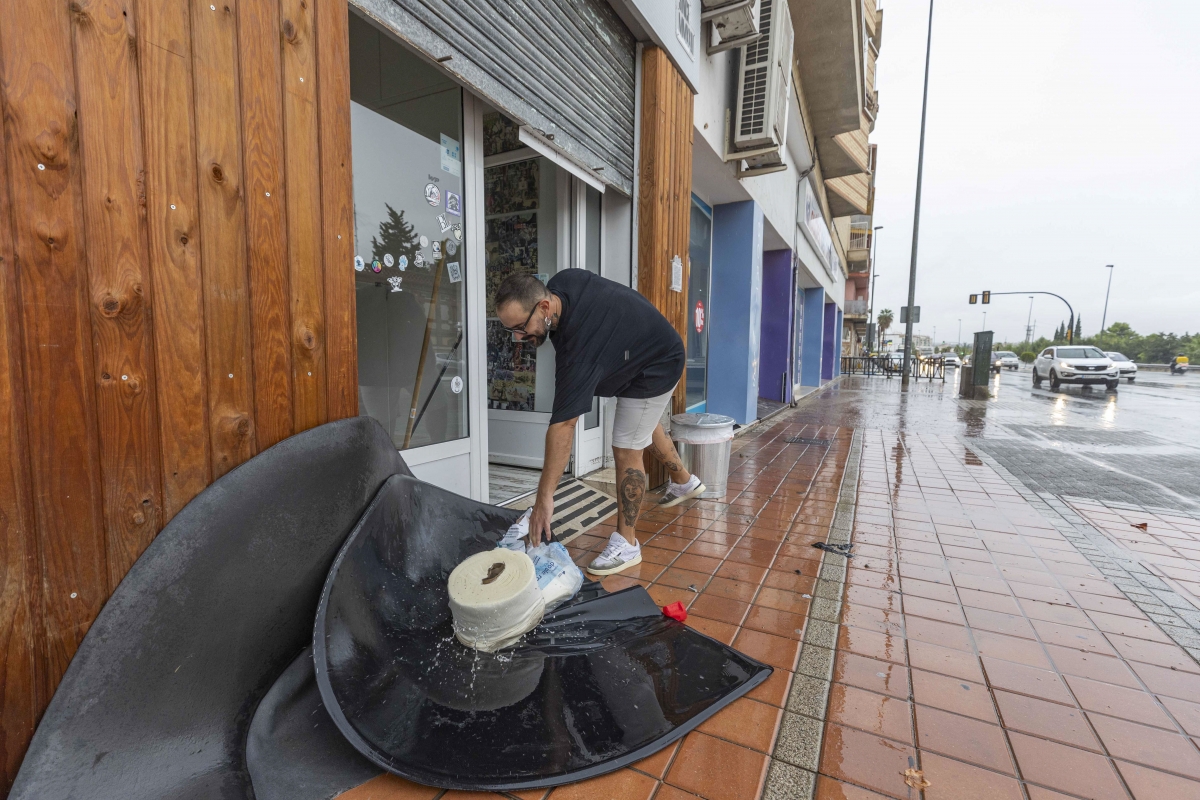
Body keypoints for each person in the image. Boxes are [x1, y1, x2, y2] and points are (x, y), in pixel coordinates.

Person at [493, 271, 706, 576]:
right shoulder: (562, 284)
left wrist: (543, 500)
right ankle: (685, 481)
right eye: (509, 330)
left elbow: (564, 426)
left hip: (658, 362)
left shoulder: (578, 350)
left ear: (543, 307)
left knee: (626, 446)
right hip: (638, 353)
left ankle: (627, 545)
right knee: (643, 423)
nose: (517, 337)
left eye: (519, 327)